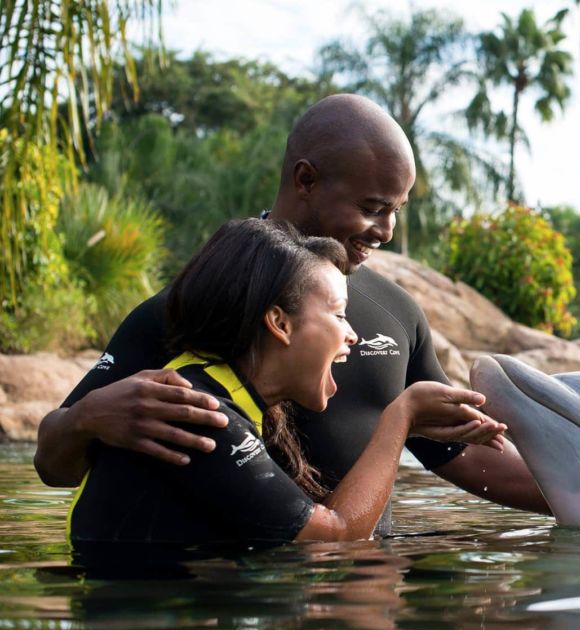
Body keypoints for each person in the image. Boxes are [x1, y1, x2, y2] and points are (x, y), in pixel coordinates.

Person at [34, 94, 549, 531]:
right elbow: (53, 466)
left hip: (363, 599)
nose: (387, 231)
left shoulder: (395, 312)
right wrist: (84, 420)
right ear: (306, 180)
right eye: (372, 208)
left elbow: (460, 452)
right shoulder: (187, 309)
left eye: (396, 210)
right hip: (245, 597)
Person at [70, 218, 505, 547]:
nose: (351, 333)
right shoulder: (201, 412)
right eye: (338, 315)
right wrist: (401, 416)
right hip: (133, 622)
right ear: (279, 322)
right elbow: (335, 536)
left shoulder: (221, 389)